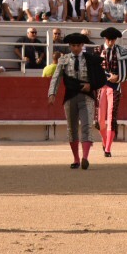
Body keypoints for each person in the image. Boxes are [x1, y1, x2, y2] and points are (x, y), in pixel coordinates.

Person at [48, 32, 103, 168]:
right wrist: (52, 93)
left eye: (78, 45)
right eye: (73, 45)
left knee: (86, 126)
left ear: (82, 45)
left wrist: (91, 85)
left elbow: (102, 78)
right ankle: (76, 159)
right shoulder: (63, 60)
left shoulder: (91, 59)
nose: (76, 48)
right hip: (70, 97)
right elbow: (56, 78)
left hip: (87, 97)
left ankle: (85, 157)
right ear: (69, 46)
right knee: (72, 128)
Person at [94, 27, 127, 156]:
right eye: (109, 40)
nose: (111, 42)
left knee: (111, 117)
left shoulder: (121, 51)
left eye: (113, 40)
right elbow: (93, 70)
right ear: (106, 39)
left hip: (115, 86)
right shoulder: (97, 50)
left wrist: (118, 77)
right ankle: (105, 141)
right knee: (100, 119)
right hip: (101, 87)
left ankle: (108, 149)